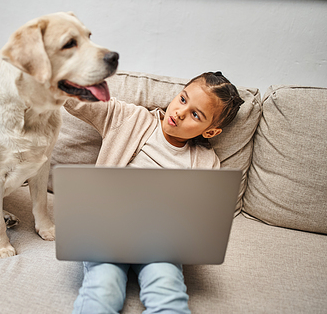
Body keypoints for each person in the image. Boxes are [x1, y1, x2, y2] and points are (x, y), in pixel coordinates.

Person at [64, 71, 244, 314]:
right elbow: (77, 100)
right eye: (183, 99)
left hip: (160, 245)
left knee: (168, 292)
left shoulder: (205, 163)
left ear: (209, 131)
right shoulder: (130, 119)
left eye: (195, 114)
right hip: (107, 232)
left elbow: (202, 223)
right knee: (103, 288)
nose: (180, 112)